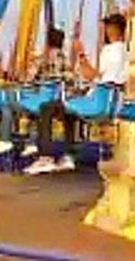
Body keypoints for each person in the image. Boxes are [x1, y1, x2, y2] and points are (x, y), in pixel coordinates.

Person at [25, 13, 128, 175]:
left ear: (113, 29)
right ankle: (68, 155)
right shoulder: (125, 50)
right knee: (68, 112)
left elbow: (92, 75)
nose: (105, 32)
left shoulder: (110, 49)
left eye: (107, 27)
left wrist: (80, 53)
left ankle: (45, 157)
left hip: (99, 101)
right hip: (110, 98)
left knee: (46, 108)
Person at [0, 27, 69, 157]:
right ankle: (31, 142)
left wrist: (18, 81)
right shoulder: (66, 61)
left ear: (48, 41)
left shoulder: (41, 59)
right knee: (35, 111)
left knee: (7, 103)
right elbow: (68, 79)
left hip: (39, 102)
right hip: (53, 102)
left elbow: (28, 80)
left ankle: (5, 139)